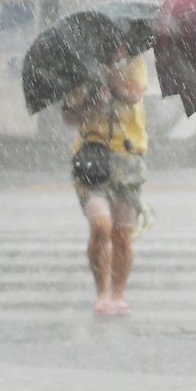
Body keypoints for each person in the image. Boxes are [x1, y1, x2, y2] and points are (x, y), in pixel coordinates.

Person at [62, 43, 152, 316]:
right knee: (101, 227)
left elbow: (133, 94)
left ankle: (118, 294)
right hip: (92, 159)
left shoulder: (135, 64)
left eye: (120, 43)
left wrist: (109, 76)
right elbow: (68, 116)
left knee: (122, 233)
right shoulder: (80, 70)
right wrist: (93, 103)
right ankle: (102, 292)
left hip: (128, 158)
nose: (117, 47)